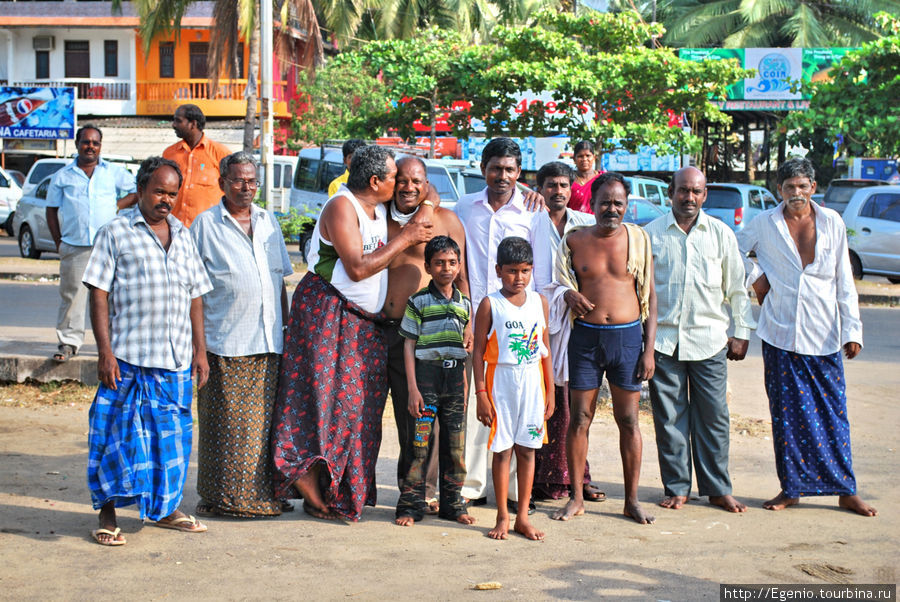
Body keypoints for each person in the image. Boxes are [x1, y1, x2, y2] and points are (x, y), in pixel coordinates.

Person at [271, 145, 433, 521]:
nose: (401, 183)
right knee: (323, 403)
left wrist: (422, 207)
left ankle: (340, 487)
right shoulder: (342, 206)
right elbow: (358, 268)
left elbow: (431, 193)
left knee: (358, 410)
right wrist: (406, 238)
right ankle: (308, 477)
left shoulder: (377, 205)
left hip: (361, 322)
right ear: (376, 181)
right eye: (395, 177)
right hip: (328, 312)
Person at [82, 156, 213, 546]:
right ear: (140, 190)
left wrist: (200, 351)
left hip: (172, 361)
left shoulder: (184, 235)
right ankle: (107, 513)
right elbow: (99, 294)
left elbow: (195, 297)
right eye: (158, 191)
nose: (165, 200)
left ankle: (166, 509)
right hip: (126, 357)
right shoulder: (115, 232)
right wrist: (104, 352)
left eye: (172, 194)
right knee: (113, 437)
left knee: (171, 439)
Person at [737, 157, 877, 517]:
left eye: (802, 186)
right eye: (789, 187)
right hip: (780, 332)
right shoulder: (765, 223)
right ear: (778, 191)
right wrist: (756, 276)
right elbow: (731, 250)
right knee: (786, 417)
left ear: (813, 187)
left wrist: (852, 330)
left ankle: (845, 489)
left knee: (834, 415)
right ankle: (792, 488)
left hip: (824, 332)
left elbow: (844, 280)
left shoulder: (832, 222)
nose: (796, 193)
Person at [644, 166, 755, 513]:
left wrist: (742, 331)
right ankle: (677, 487)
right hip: (664, 342)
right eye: (682, 191)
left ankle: (718, 488)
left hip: (709, 340)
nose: (689, 198)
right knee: (670, 419)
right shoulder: (650, 235)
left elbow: (737, 289)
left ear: (704, 195)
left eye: (696, 192)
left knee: (714, 417)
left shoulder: (721, 234)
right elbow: (640, 291)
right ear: (671, 193)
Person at [549, 172, 658, 524]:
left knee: (628, 420)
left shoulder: (639, 239)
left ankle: (631, 499)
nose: (612, 209)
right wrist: (568, 294)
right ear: (591, 204)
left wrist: (649, 349)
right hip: (585, 339)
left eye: (618, 203)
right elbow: (557, 283)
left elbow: (651, 297)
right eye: (605, 202)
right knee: (579, 419)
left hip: (627, 340)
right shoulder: (573, 241)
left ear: (627, 205)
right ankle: (577, 497)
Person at [190, 152, 293, 518]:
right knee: (230, 428)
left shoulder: (267, 221)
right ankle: (226, 498)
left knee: (263, 428)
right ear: (222, 183)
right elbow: (194, 291)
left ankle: (258, 492)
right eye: (238, 180)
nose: (246, 187)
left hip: (268, 343)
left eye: (251, 180)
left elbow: (279, 277)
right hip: (226, 344)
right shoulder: (205, 225)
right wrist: (198, 348)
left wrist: (285, 326)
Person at [455, 137, 554, 512]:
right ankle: (473, 486)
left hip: (519, 316)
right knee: (481, 400)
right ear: (483, 169)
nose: (502, 175)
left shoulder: (531, 211)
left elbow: (539, 268)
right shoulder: (465, 207)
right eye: (496, 168)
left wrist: (537, 313)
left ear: (519, 174)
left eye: (510, 169)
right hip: (478, 314)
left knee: (520, 400)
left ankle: (514, 493)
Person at [384, 156, 469, 516]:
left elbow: (465, 280)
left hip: (435, 337)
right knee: (409, 417)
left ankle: (429, 491)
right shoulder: (377, 217)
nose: (408, 187)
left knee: (438, 422)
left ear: (426, 184)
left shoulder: (446, 220)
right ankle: (410, 492)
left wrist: (470, 325)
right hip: (383, 330)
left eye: (417, 181)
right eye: (401, 180)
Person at [473, 237, 554, 540]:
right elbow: (478, 352)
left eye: (525, 271)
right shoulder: (490, 304)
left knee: (528, 449)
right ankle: (502, 516)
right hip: (501, 381)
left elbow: (545, 349)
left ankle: (522, 516)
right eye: (511, 271)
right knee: (503, 449)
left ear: (532, 270)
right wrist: (481, 394)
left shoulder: (538, 302)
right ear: (498, 270)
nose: (518, 278)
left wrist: (551, 391)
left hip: (532, 382)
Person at [532, 161, 604, 503]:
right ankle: (540, 480)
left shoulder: (585, 224)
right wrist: (562, 295)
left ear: (571, 189)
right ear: (540, 187)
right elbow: (528, 279)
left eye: (563, 185)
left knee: (579, 403)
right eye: (551, 185)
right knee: (545, 402)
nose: (557, 191)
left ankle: (579, 477)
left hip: (580, 323)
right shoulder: (529, 223)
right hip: (541, 323)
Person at [395, 235, 475, 527]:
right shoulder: (418, 302)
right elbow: (408, 345)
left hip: (454, 383)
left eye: (452, 263)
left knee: (455, 447)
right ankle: (410, 506)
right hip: (425, 382)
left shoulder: (465, 304)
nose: (446, 268)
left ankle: (453, 504)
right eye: (439, 263)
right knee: (419, 445)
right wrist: (413, 389)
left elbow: (467, 347)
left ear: (459, 265)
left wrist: (465, 388)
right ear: (428, 267)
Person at [45, 124, 137, 363]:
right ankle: (68, 343)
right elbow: (51, 211)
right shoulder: (63, 176)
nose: (90, 147)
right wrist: (59, 243)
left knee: (109, 296)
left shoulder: (112, 172)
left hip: (107, 246)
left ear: (100, 146)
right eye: (86, 142)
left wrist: (116, 206)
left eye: (95, 143)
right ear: (77, 145)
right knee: (72, 295)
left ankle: (111, 346)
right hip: (74, 245)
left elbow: (136, 192)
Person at [163, 104, 232, 227]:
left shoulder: (220, 153)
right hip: (174, 228)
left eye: (178, 121)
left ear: (193, 124)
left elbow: (232, 190)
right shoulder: (169, 153)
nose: (173, 125)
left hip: (208, 228)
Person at [567, 141, 601, 214]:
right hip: (574, 224)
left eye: (588, 156)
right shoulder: (568, 181)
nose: (584, 159)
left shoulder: (603, 179)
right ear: (574, 159)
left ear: (594, 158)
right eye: (580, 156)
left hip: (598, 223)